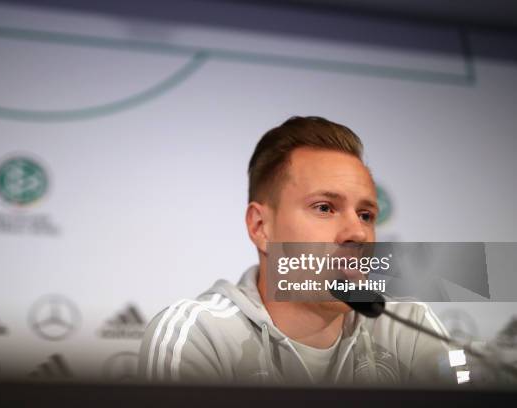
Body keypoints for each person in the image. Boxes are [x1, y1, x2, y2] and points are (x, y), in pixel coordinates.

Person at [138, 116, 456, 386]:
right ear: (260, 227)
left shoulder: (409, 327)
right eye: (325, 207)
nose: (358, 233)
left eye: (366, 215)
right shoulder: (199, 334)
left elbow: (471, 388)